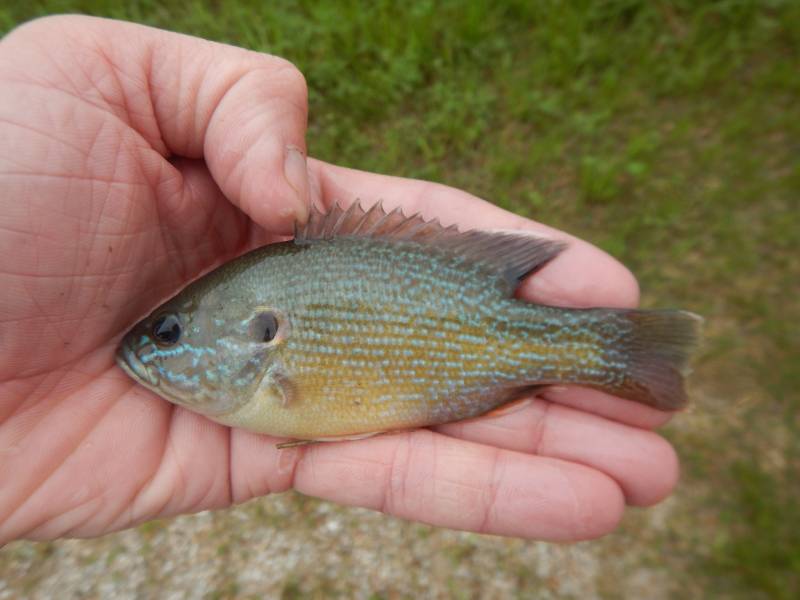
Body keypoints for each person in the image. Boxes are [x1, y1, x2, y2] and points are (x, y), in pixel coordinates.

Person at [0, 15, 679, 544]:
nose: (147, 347)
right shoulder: (259, 342)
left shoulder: (270, 361)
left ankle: (615, 348)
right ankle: (630, 353)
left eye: (169, 331)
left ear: (262, 336)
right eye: (168, 330)